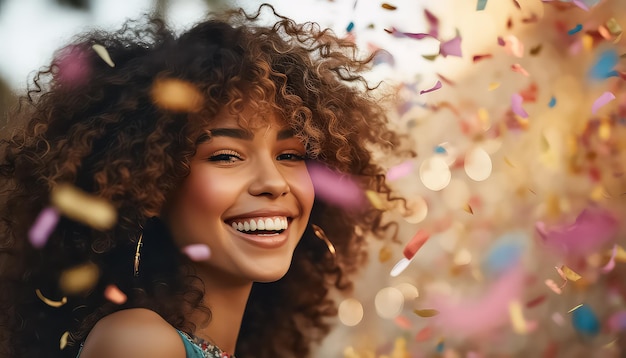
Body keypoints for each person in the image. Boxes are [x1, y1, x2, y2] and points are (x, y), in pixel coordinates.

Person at [0, 4, 405, 358]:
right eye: (227, 156)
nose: (273, 182)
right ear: (151, 186)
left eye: (290, 155)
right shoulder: (139, 342)